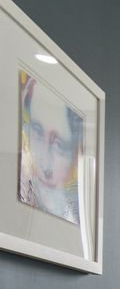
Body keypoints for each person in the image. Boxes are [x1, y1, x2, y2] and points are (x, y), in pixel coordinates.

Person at [18, 70, 83, 225]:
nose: (45, 160)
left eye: (58, 144)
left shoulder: (78, 212)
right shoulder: (21, 186)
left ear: (74, 155)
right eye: (37, 132)